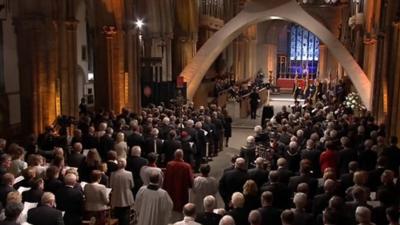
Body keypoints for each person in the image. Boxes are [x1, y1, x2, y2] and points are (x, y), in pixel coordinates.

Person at [110, 158, 134, 225]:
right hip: (126, 197)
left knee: (117, 216)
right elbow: (132, 185)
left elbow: (111, 186)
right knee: (126, 216)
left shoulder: (113, 174)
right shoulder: (129, 174)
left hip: (116, 197)